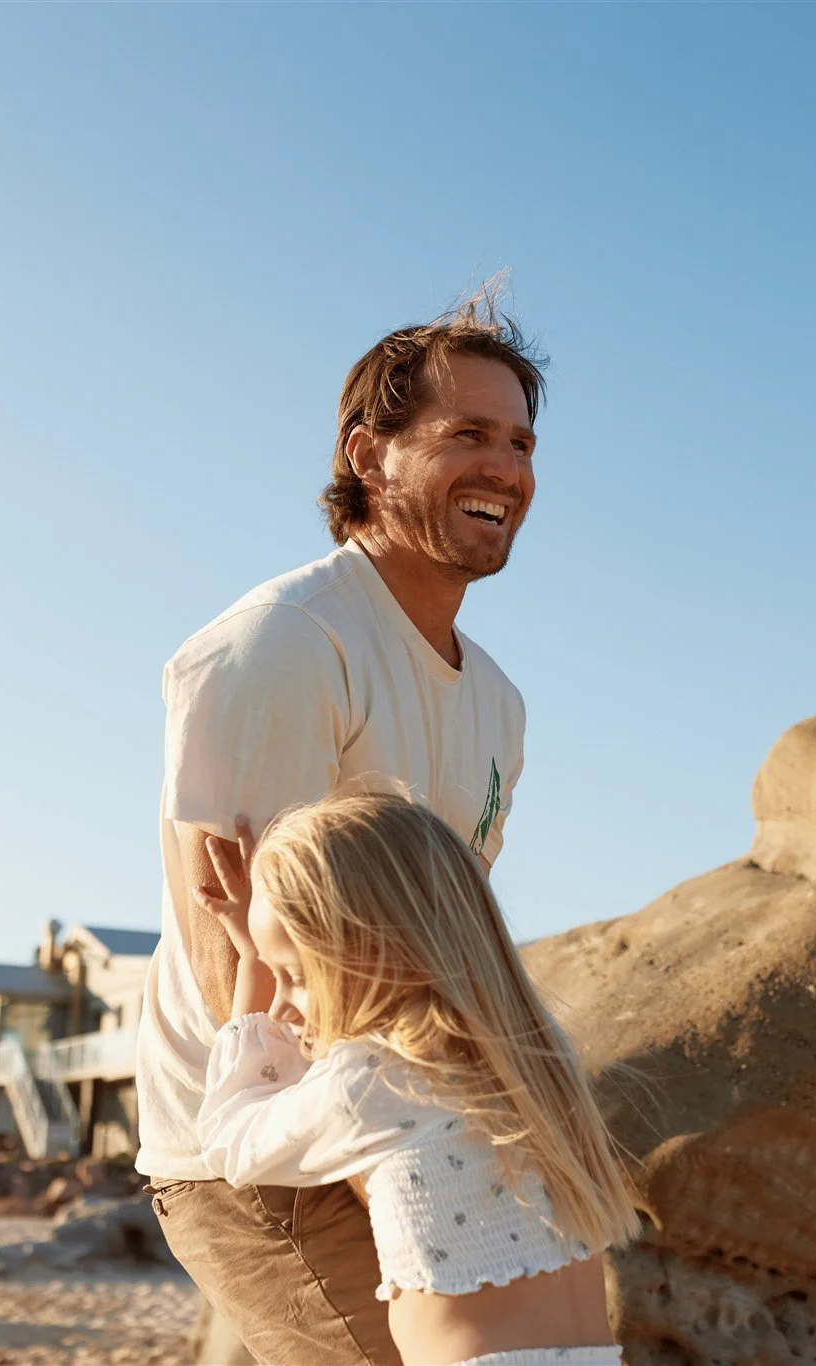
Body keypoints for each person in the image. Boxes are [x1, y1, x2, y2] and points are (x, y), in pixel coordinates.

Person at [137, 289, 541, 1364]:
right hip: (273, 1149)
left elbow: (456, 942)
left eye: (518, 442)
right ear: (369, 455)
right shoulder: (285, 643)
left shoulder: (497, 701)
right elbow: (241, 933)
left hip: (421, 1141)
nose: (504, 468)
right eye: (466, 435)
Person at [196, 793, 636, 1366]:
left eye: (298, 976)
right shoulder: (533, 1051)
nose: (283, 1008)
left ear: (380, 951)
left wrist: (251, 966)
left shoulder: (377, 1079)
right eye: (278, 977)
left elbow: (231, 1140)